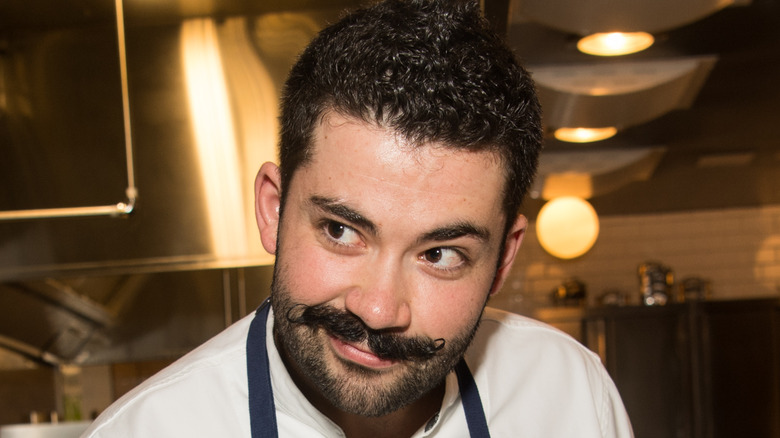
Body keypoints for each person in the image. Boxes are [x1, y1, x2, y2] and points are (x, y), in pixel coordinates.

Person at [82, 0, 633, 436]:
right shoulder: (146, 431)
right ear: (274, 209)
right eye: (341, 231)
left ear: (502, 260)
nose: (377, 309)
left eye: (439, 255)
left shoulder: (571, 397)